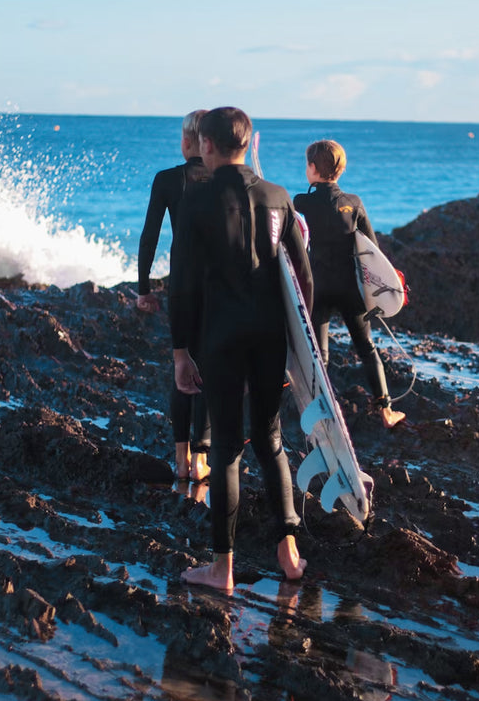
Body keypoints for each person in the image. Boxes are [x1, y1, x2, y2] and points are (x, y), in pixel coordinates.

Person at [169, 107, 312, 591]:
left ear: (206, 145)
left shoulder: (198, 200)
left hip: (222, 338)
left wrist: (180, 352)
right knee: (271, 441)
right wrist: (302, 349)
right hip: (271, 337)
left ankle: (221, 568)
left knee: (227, 449)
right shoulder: (279, 197)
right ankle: (289, 552)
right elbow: (303, 277)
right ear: (249, 144)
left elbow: (183, 286)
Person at [293, 139, 405, 429]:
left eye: (308, 164)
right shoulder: (353, 203)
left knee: (320, 353)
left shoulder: (303, 202)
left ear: (313, 168)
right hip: (349, 289)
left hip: (318, 287)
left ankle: (321, 411)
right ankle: (386, 410)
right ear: (340, 170)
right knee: (366, 347)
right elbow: (372, 252)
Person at [136, 110, 211, 482]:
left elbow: (149, 235)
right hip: (219, 289)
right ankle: (201, 459)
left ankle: (180, 460)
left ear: (186, 141)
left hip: (181, 287)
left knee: (181, 369)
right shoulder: (227, 181)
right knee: (208, 368)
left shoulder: (167, 179)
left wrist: (144, 288)